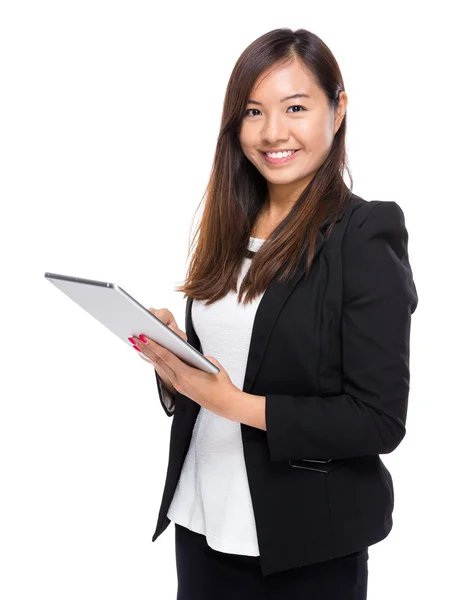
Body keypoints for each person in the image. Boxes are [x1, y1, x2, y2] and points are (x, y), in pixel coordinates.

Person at [131, 27, 418, 600]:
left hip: (303, 543)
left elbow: (378, 421)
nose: (272, 132)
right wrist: (175, 368)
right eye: (253, 112)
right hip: (202, 520)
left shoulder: (363, 234)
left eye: (295, 107)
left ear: (337, 110)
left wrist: (233, 404)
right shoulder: (229, 228)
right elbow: (226, 366)